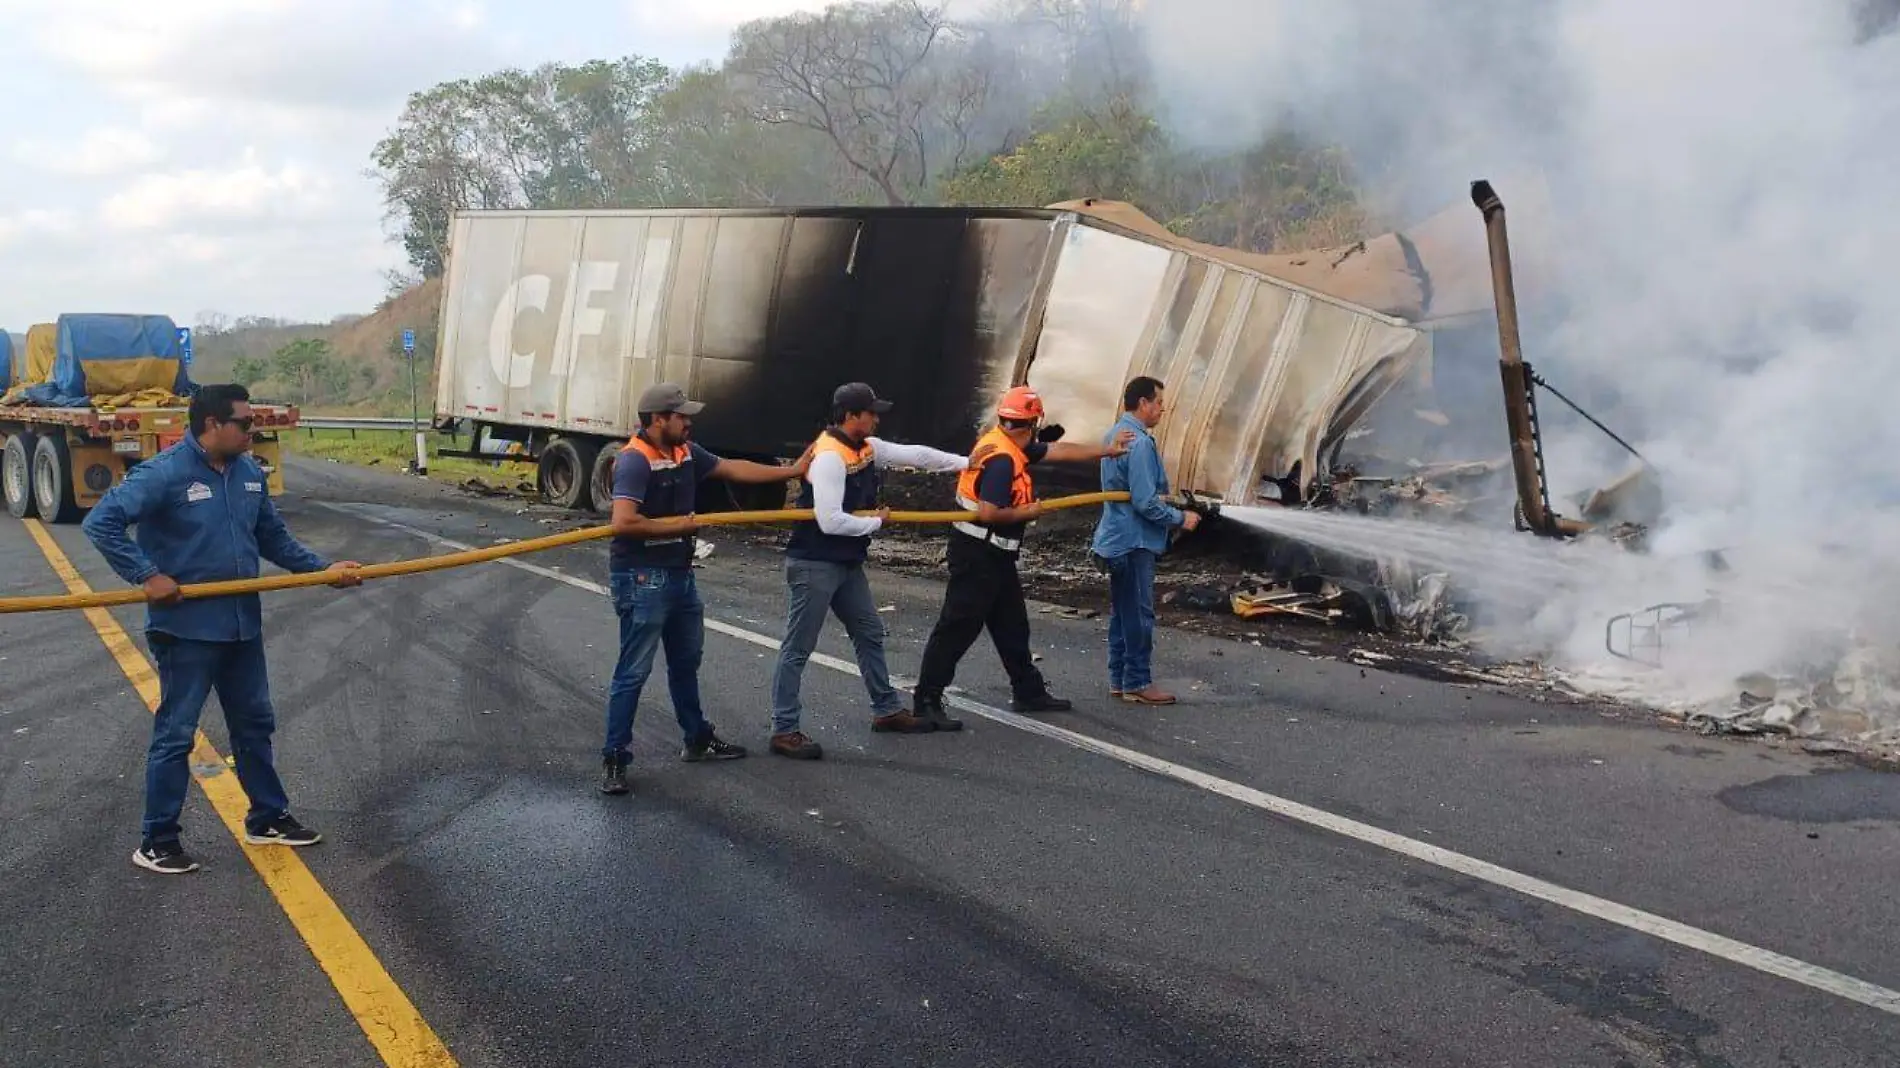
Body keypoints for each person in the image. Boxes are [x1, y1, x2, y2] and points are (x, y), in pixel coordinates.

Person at [81, 383, 363, 875]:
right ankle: (158, 840)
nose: (254, 432)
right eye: (245, 424)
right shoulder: (164, 474)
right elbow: (101, 523)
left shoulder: (248, 474)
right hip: (187, 629)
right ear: (212, 425)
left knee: (255, 724)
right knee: (176, 734)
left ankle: (268, 817)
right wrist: (147, 575)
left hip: (240, 626)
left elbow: (272, 537)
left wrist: (323, 570)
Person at [599, 382, 814, 795]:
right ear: (658, 420)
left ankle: (697, 738)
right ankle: (614, 757)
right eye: (681, 416)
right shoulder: (634, 461)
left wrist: (792, 470)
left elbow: (732, 467)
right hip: (643, 578)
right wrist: (681, 525)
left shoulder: (684, 452)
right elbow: (623, 522)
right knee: (633, 671)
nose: (689, 421)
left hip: (679, 575)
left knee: (685, 663)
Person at [768, 382, 970, 760]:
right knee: (798, 648)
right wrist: (875, 524)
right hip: (816, 562)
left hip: (845, 562)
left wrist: (965, 463)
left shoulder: (864, 448)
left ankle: (887, 709)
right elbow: (829, 520)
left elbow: (917, 455)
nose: (876, 418)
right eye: (871, 412)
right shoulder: (829, 456)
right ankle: (784, 729)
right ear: (850, 416)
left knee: (869, 633)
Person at [911, 386, 1132, 727]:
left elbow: (1057, 451)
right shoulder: (1002, 460)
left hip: (994, 557)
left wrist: (1107, 451)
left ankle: (1028, 691)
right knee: (957, 628)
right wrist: (1028, 511)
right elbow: (988, 512)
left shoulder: (1005, 443)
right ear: (1030, 422)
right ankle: (926, 700)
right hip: (978, 557)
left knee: (1012, 624)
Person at [1091, 376, 1201, 706]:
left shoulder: (1113, 435)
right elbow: (1145, 501)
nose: (1162, 410)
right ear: (1143, 403)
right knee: (1139, 613)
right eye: (1159, 403)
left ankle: (1119, 678)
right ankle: (1137, 681)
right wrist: (1182, 519)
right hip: (1134, 540)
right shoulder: (1137, 442)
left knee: (1123, 612)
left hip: (1116, 537)